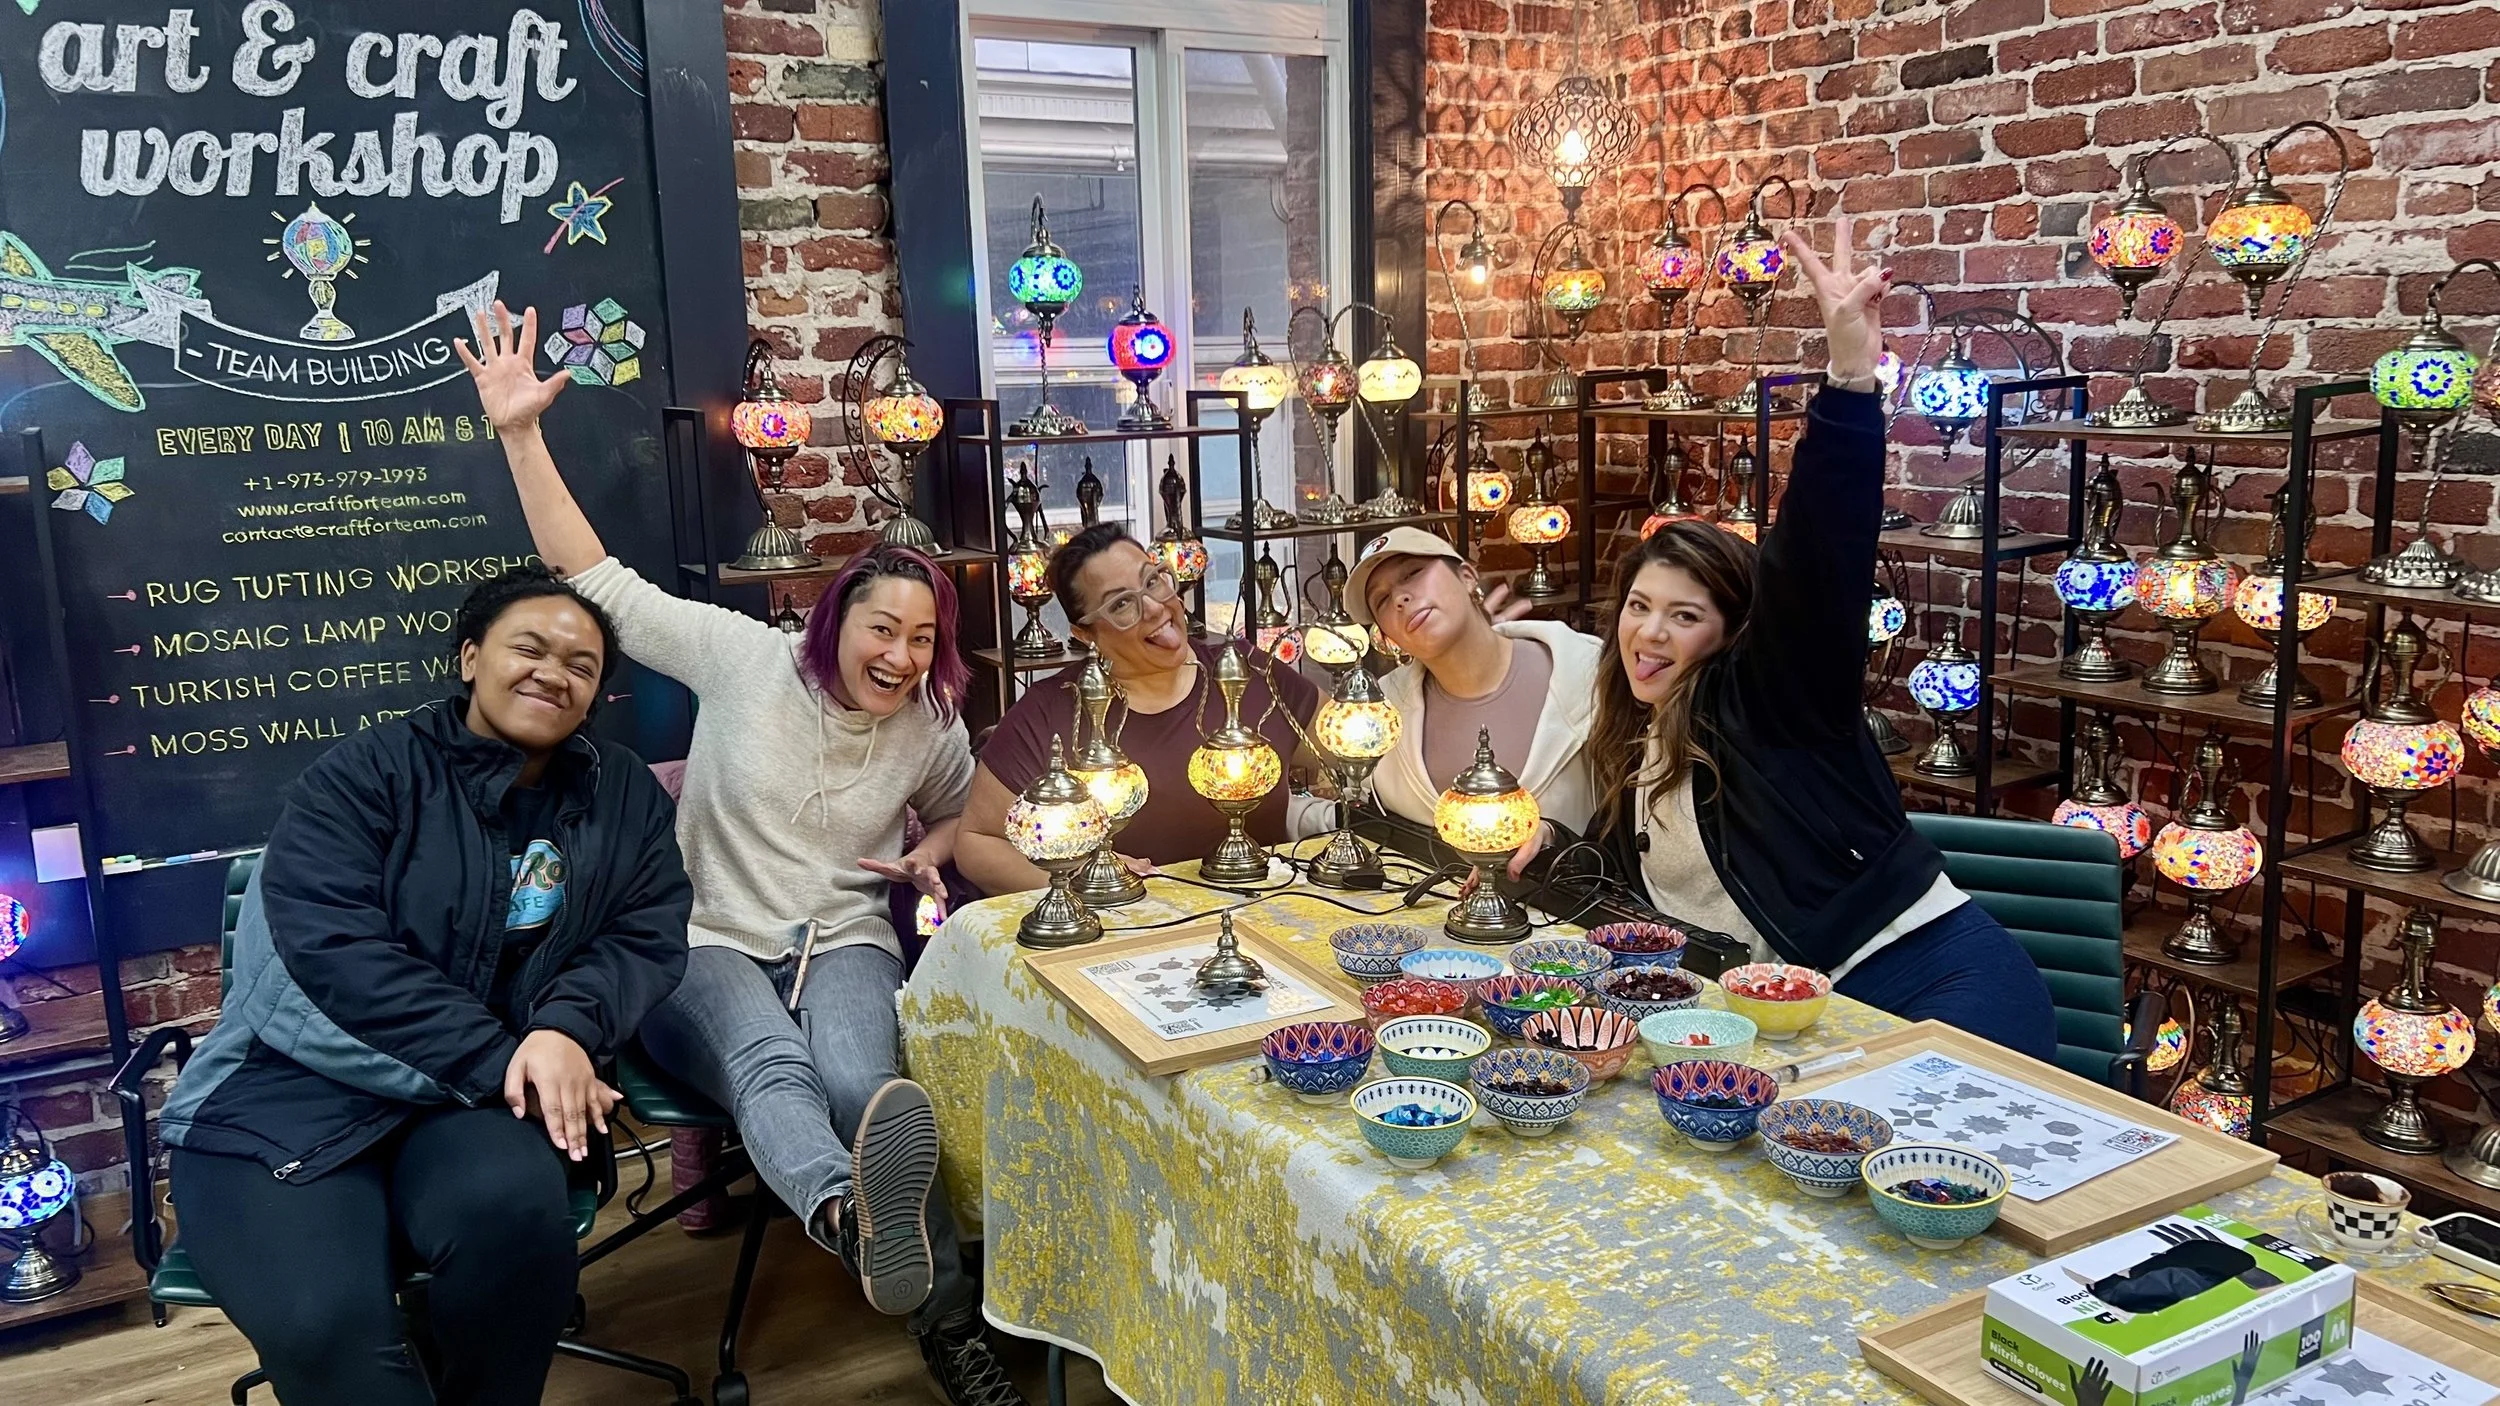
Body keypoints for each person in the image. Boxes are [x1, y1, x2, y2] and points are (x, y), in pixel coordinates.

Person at [458, 305, 1025, 1406]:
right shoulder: (744, 657)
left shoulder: (929, 727)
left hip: (846, 934)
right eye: (882, 629)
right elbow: (590, 575)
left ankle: (943, 1320)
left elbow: (969, 816)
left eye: (922, 638)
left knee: (872, 1085)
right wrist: (522, 433)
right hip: (699, 939)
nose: (901, 655)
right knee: (771, 1065)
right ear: (833, 619)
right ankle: (853, 1223)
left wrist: (930, 853)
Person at [160, 566, 692, 1406]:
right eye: (529, 647)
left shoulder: (618, 792)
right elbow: (333, 950)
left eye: (582, 666)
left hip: (470, 1104)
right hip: (291, 1095)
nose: (554, 673)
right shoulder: (363, 776)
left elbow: (644, 928)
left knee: (517, 1223)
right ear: (469, 656)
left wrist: (563, 1028)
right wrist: (505, 1055)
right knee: (323, 1326)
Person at [1588, 222, 2056, 1062]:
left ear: (1736, 631)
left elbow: (1816, 556)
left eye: (1685, 615)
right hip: (1798, 1020)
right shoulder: (1641, 737)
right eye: (1639, 606)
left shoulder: (1772, 701)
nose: (1650, 632)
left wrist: (1847, 382)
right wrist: (1547, 850)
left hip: (1929, 983)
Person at [958, 522, 1321, 895]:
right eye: (1120, 604)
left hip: (1271, 920)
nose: (1152, 607)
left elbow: (1350, 750)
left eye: (1152, 581)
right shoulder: (1051, 712)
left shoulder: (1245, 672)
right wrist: (1082, 880)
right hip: (1128, 936)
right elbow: (976, 842)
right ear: (1085, 633)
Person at [1322, 525, 1600, 875]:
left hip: (1577, 914)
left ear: (1467, 577)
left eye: (1413, 573)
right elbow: (1357, 816)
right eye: (1381, 600)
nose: (1400, 598)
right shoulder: (1380, 716)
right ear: (1386, 636)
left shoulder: (1587, 673)